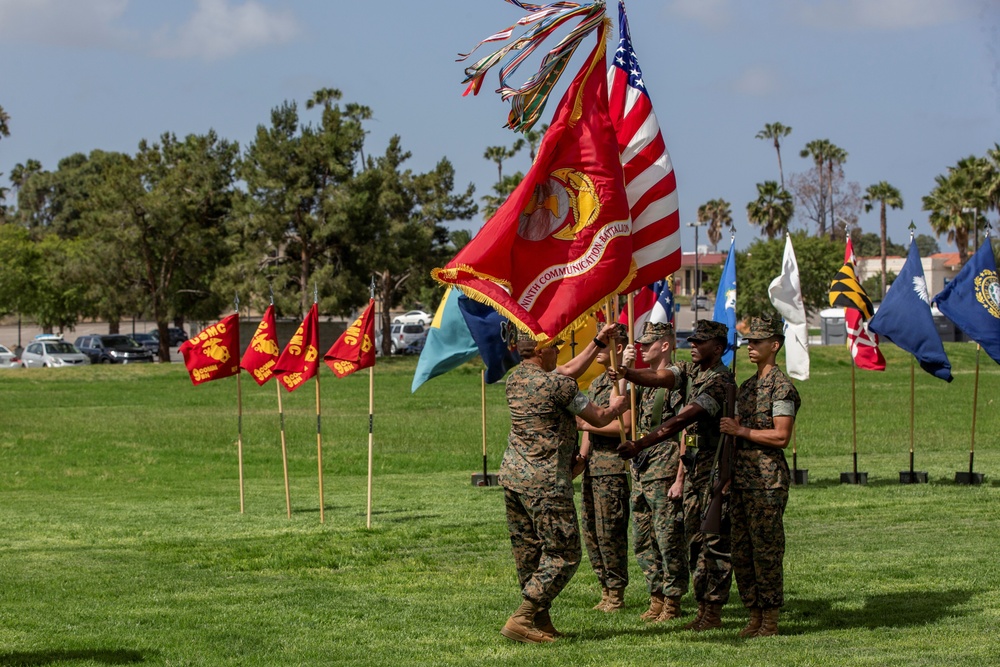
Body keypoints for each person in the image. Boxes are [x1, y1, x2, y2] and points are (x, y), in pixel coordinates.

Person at [500, 324, 628, 644]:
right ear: (541, 351)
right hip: (546, 484)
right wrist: (618, 406)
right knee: (565, 553)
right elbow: (598, 418)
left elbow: (567, 370)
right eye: (554, 347)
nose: (559, 350)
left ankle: (539, 623)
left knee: (531, 554)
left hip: (514, 480)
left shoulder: (515, 379)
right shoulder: (559, 387)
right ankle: (523, 616)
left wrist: (598, 341)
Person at [611, 319, 736, 632]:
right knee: (695, 543)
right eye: (692, 341)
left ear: (718, 348)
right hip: (696, 470)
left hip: (715, 470)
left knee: (714, 543)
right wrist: (628, 374)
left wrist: (640, 443)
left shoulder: (719, 381)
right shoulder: (692, 370)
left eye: (701, 342)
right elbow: (659, 377)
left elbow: (682, 420)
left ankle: (712, 610)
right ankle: (702, 608)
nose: (693, 345)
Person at [720, 314, 800, 638]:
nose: (751, 347)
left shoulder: (782, 388)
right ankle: (753, 614)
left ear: (774, 345)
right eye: (749, 342)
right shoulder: (748, 387)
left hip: (767, 480)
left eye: (758, 342)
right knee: (742, 550)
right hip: (742, 478)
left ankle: (771, 617)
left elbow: (782, 437)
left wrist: (741, 429)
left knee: (766, 550)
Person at [627, 321, 689, 623]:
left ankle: (673, 600)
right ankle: (656, 596)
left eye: (647, 343)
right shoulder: (643, 386)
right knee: (642, 537)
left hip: (664, 467)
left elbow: (685, 432)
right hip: (642, 468)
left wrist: (680, 477)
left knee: (668, 538)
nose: (641, 348)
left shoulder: (677, 379)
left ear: (665, 345)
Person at [576, 324, 632, 613]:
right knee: (592, 530)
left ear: (619, 348)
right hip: (593, 468)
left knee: (610, 531)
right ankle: (604, 587)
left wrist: (588, 423)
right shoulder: (596, 384)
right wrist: (582, 458)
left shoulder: (627, 382)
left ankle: (616, 591)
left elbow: (628, 424)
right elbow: (589, 429)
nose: (598, 349)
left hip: (613, 468)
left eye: (605, 343)